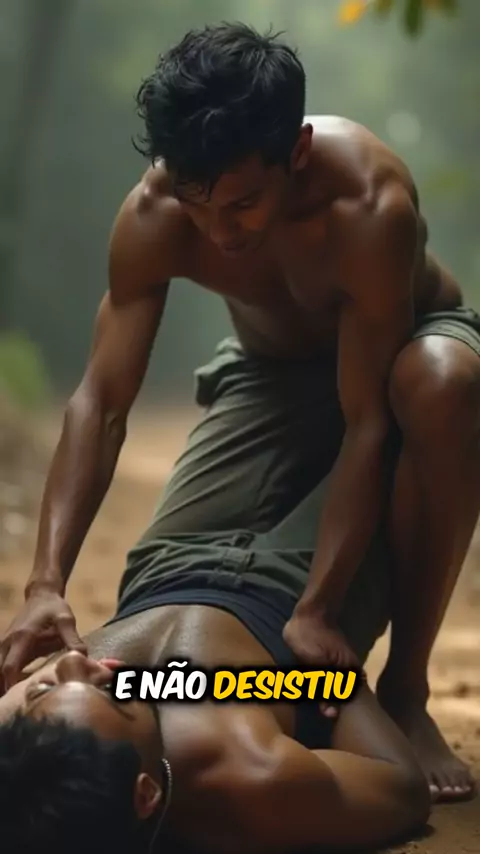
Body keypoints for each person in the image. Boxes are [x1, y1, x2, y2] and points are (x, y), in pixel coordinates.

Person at [1, 22, 479, 799]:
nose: (220, 232)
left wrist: (319, 609)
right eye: (199, 205)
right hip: (268, 373)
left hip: (399, 360)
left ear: (297, 152)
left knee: (442, 381)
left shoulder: (367, 203)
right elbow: (102, 401)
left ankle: (406, 690)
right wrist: (45, 583)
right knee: (181, 573)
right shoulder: (157, 212)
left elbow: (366, 423)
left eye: (244, 205)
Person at [0, 476, 431, 854]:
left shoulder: (26, 752)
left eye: (42, 689)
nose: (74, 661)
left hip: (165, 562)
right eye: (112, 692)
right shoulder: (252, 776)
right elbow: (404, 785)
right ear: (146, 794)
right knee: (403, 422)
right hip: (297, 588)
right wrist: (331, 681)